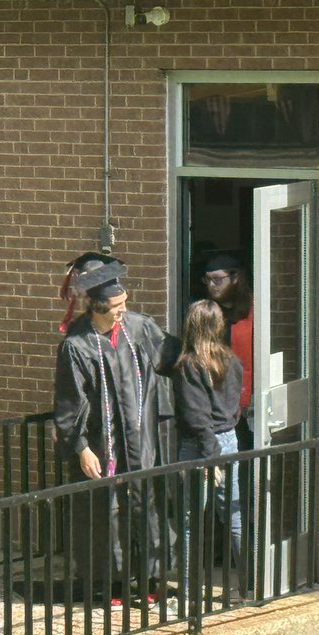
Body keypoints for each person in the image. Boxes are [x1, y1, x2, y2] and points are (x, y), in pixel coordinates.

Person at [53, 256, 181, 605]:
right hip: (102, 443)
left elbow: (175, 359)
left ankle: (153, 581)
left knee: (149, 504)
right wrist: (81, 448)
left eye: (125, 303)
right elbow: (68, 402)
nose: (123, 311)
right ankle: (112, 586)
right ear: (96, 307)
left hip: (142, 440)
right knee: (107, 512)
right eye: (116, 306)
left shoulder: (139, 328)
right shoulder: (77, 345)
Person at [173, 299, 244, 597]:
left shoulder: (189, 366)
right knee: (234, 515)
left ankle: (189, 593)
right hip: (228, 440)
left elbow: (197, 416)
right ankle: (249, 585)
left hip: (201, 448)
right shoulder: (232, 361)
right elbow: (235, 407)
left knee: (191, 522)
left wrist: (210, 458)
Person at [201, 252, 254, 449]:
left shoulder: (255, 310)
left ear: (235, 278)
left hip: (248, 402)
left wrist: (242, 399)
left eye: (217, 279)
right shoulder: (206, 313)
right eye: (207, 280)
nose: (211, 285)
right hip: (215, 404)